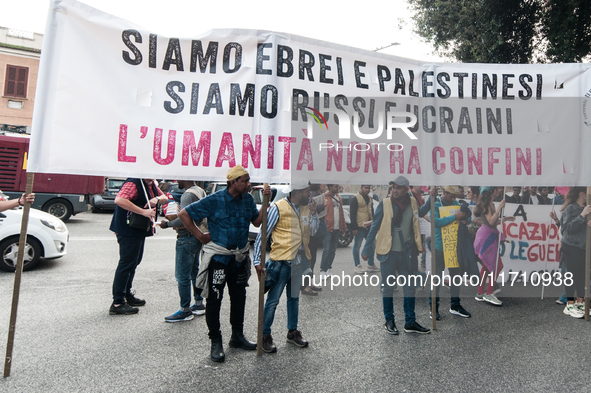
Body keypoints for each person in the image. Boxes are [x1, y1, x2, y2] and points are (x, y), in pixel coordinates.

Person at [178, 165, 269, 362]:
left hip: (239, 259)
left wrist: (267, 200)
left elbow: (256, 221)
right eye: (244, 180)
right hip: (219, 259)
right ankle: (216, 341)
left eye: (248, 180)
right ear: (233, 182)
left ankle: (237, 336)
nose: (248, 184)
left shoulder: (247, 199)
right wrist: (200, 235)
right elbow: (184, 214)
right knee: (215, 300)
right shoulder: (215, 200)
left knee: (239, 298)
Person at [254, 180, 318, 353]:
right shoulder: (278, 207)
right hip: (281, 263)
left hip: (299, 263)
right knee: (273, 301)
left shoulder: (306, 208)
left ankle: (292, 332)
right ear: (298, 192)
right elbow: (263, 234)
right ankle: (265, 335)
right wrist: (257, 261)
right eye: (307, 192)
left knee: (294, 299)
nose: (309, 195)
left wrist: (314, 215)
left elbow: (312, 232)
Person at [362, 176, 430, 335]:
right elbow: (374, 227)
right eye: (393, 187)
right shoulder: (385, 204)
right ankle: (389, 320)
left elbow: (420, 213)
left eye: (399, 188)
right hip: (388, 254)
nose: (395, 190)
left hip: (406, 254)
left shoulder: (412, 202)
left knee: (409, 289)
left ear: (406, 189)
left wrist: (432, 198)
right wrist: (366, 249)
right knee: (388, 288)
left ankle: (410, 322)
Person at [109, 178, 167, 315]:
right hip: (128, 230)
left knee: (134, 263)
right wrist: (143, 212)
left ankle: (126, 295)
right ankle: (117, 303)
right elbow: (119, 200)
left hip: (138, 229)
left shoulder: (151, 183)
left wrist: (157, 199)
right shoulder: (134, 183)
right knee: (126, 264)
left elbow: (164, 197)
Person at [160, 180, 208, 322]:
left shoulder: (187, 195)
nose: (177, 180)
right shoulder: (199, 190)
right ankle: (199, 303)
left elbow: (183, 219)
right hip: (196, 236)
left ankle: (185, 310)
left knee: (182, 275)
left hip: (185, 238)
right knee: (194, 271)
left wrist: (167, 224)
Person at [429, 186, 472, 320]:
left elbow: (468, 218)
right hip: (439, 247)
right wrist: (454, 216)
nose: (454, 199)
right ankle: (433, 308)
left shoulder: (456, 204)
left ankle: (455, 305)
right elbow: (435, 222)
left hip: (454, 246)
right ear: (444, 193)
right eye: (451, 196)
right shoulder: (435, 205)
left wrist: (466, 219)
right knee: (437, 279)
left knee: (456, 278)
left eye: (455, 196)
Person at [473, 187, 515, 306]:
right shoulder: (487, 204)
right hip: (487, 238)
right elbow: (491, 222)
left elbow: (494, 221)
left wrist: (505, 219)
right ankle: (489, 293)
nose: (499, 191)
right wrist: (500, 207)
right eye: (497, 189)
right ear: (491, 191)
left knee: (486, 266)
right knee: (497, 265)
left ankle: (480, 293)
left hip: (488, 236)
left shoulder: (489, 203)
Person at [559, 187, 591, 318]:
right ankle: (569, 303)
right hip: (571, 246)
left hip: (584, 247)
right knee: (571, 275)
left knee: (582, 276)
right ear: (582, 194)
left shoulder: (589, 208)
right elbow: (567, 229)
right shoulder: (571, 208)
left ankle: (580, 302)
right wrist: (582, 215)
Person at [301, 184, 325, 295]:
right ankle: (305, 286)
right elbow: (310, 209)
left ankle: (309, 283)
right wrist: (321, 207)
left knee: (312, 259)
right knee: (308, 260)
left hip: (313, 233)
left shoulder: (316, 195)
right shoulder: (309, 198)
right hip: (308, 235)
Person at [319, 184, 346, 279]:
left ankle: (329, 268)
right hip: (328, 228)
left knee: (333, 250)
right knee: (326, 250)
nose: (337, 188)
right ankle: (323, 270)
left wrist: (343, 226)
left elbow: (341, 213)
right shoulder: (325, 197)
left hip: (337, 228)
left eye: (338, 186)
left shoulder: (338, 198)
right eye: (335, 186)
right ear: (330, 187)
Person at [350, 185, 378, 274]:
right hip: (359, 226)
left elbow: (371, 211)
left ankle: (370, 264)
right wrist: (354, 228)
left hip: (369, 226)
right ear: (361, 187)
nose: (367, 190)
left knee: (372, 244)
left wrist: (373, 223)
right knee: (357, 245)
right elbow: (352, 214)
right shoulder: (355, 198)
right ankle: (357, 265)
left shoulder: (369, 198)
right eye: (365, 188)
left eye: (368, 188)